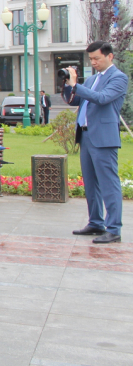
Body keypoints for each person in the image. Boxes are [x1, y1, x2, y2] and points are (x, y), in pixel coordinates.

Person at [63, 41, 129, 244]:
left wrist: (77, 86)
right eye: (91, 59)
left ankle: (114, 229)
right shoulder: (92, 79)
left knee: (109, 184)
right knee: (91, 183)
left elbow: (102, 98)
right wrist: (67, 85)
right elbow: (74, 100)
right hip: (85, 136)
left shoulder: (118, 78)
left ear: (110, 56)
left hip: (103, 138)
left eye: (97, 58)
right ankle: (96, 222)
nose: (93, 62)